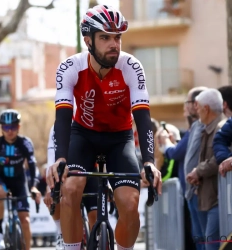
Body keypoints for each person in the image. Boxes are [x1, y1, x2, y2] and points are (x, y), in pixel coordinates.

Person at [46, 5, 162, 250]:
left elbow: (142, 116)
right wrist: (60, 159)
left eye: (117, 37)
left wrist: (149, 161)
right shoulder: (70, 67)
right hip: (83, 135)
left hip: (119, 139)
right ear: (88, 40)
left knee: (130, 205)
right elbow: (63, 116)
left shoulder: (131, 65)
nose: (114, 44)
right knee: (71, 188)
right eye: (105, 37)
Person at [0, 109, 41, 250]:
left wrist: (34, 186)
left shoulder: (25, 143)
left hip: (18, 181)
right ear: (1, 128)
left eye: (13, 127)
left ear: (19, 127)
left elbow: (33, 166)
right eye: (6, 127)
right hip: (0, 179)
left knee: (26, 221)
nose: (10, 131)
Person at [45, 124, 99, 250]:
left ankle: (96, 241)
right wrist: (49, 188)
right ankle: (61, 233)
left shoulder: (92, 119)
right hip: (66, 174)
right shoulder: (56, 127)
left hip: (89, 171)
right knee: (55, 192)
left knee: (95, 216)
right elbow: (51, 158)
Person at [186, 88, 223, 250]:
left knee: (211, 246)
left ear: (206, 108)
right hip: (206, 196)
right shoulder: (207, 128)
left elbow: (218, 159)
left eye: (198, 107)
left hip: (217, 199)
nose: (197, 110)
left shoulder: (221, 129)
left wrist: (198, 171)